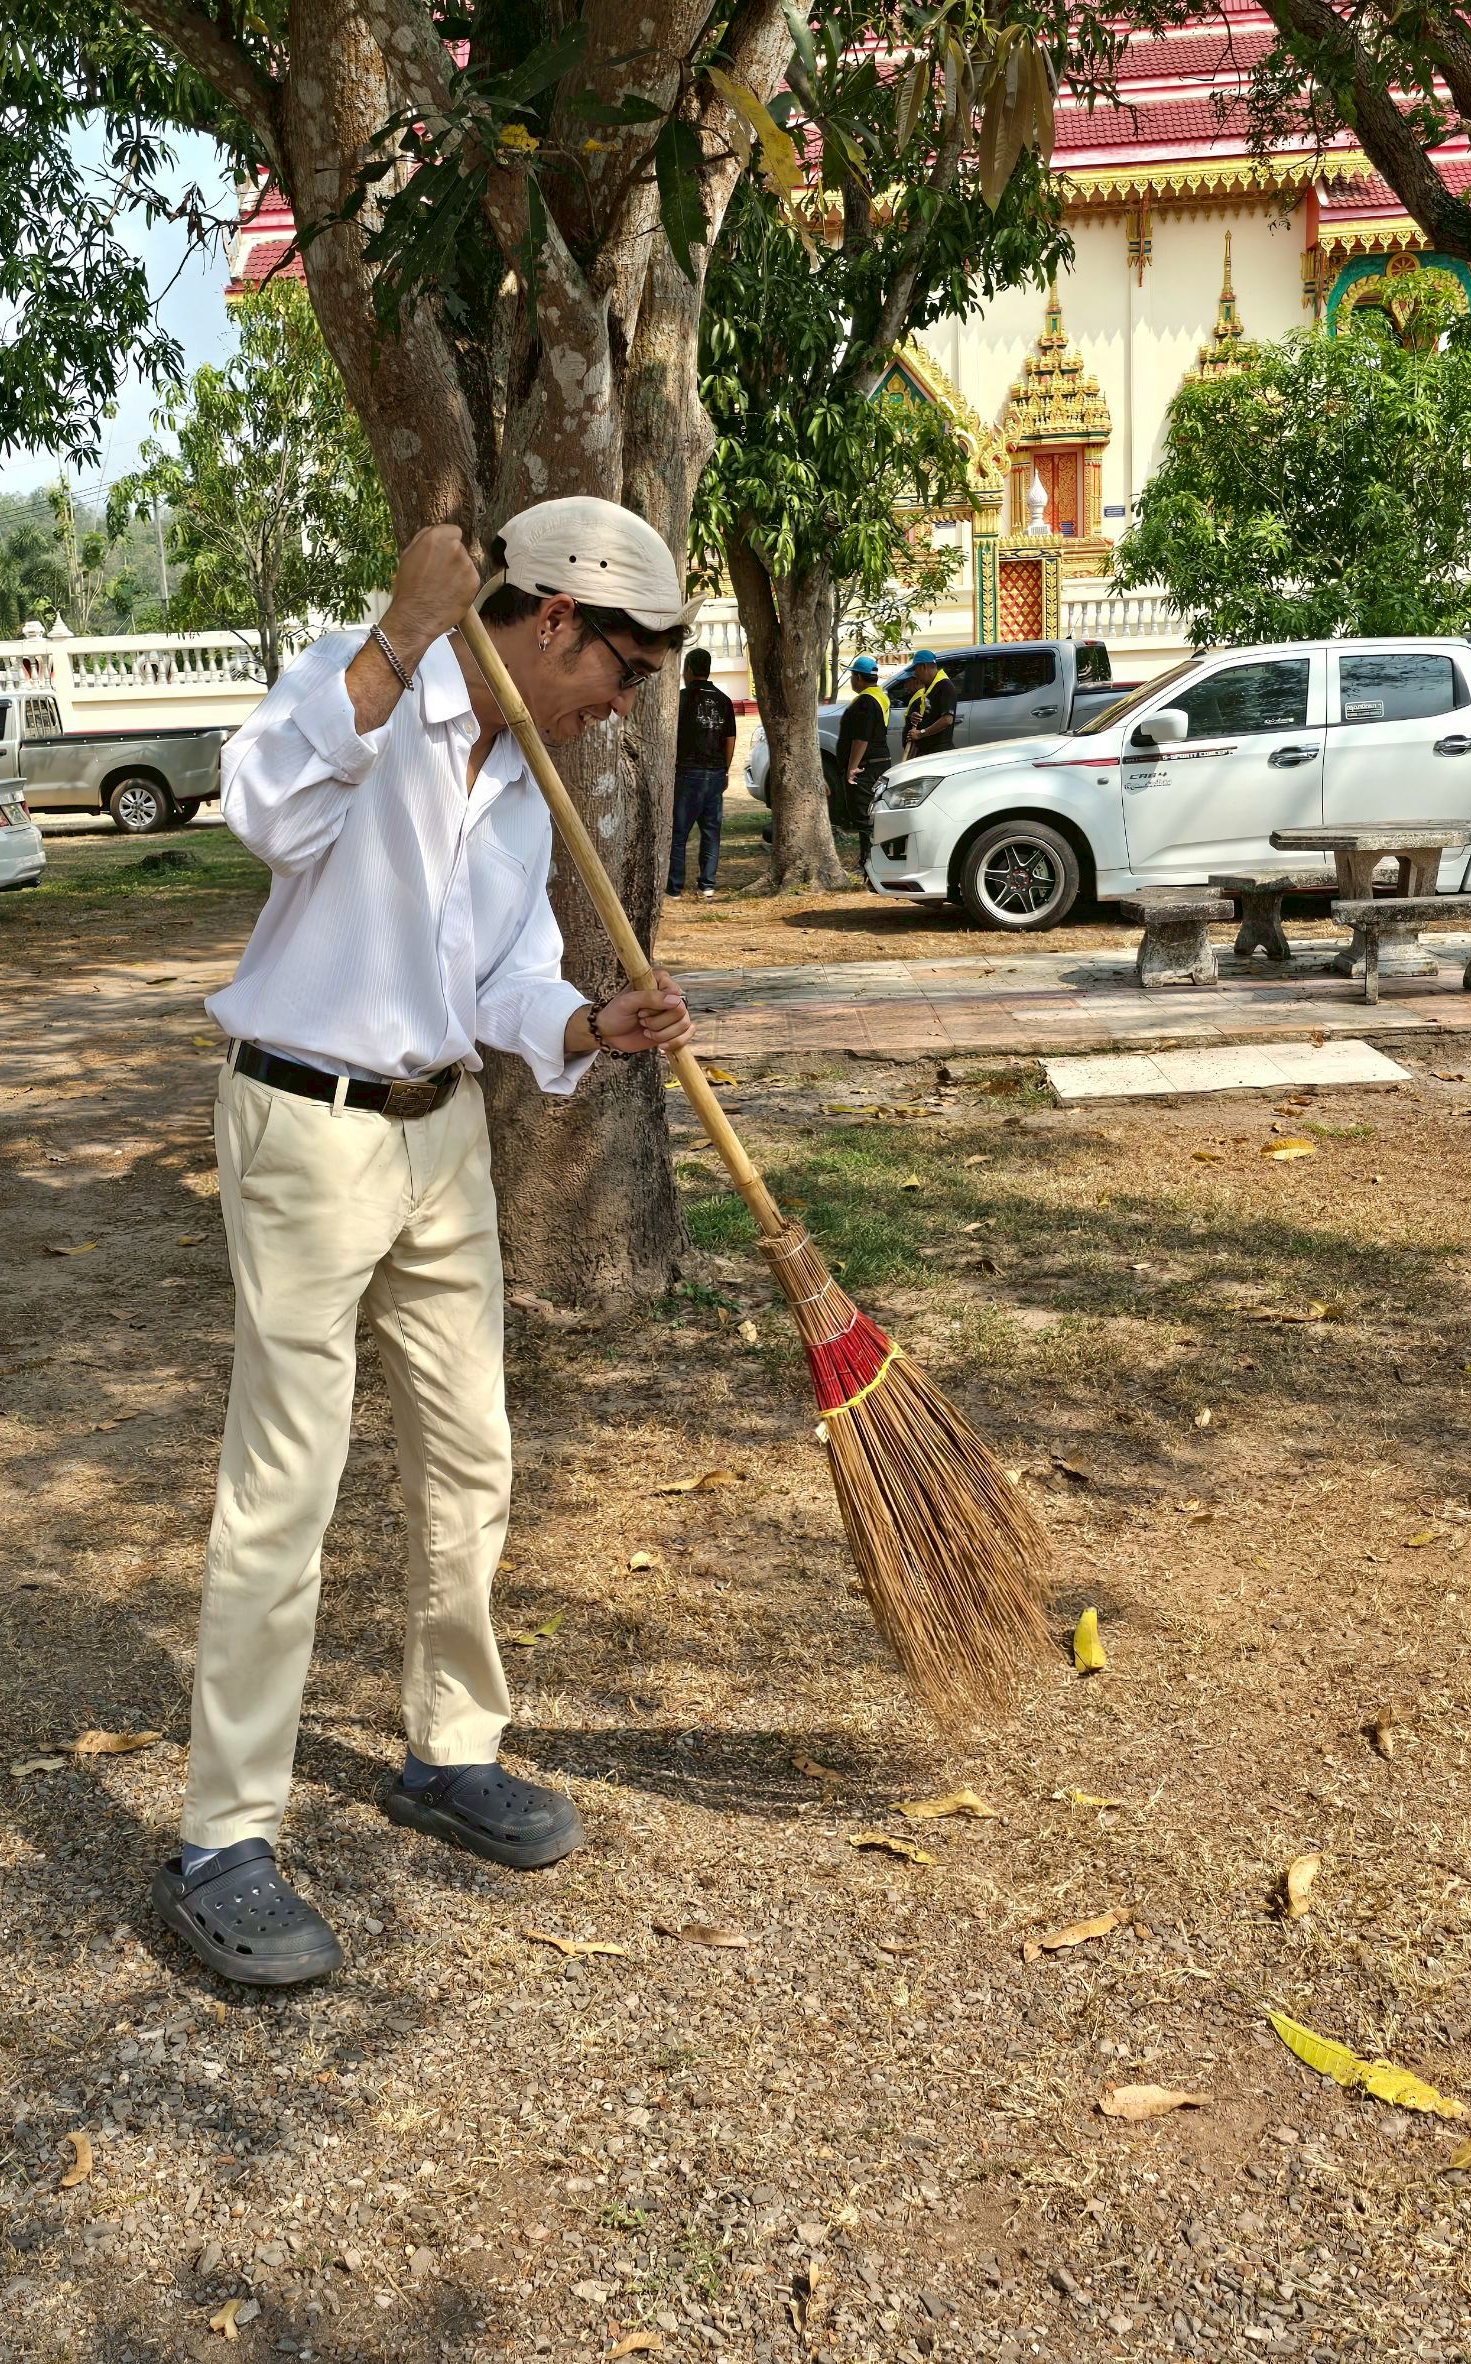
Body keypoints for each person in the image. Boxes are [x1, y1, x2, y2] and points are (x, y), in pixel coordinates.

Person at [152, 498, 698, 1988]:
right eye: (622, 674)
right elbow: (262, 812)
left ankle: (450, 1751)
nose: (621, 709)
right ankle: (223, 1837)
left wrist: (589, 1023)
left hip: (441, 1132)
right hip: (305, 1129)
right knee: (288, 1481)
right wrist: (397, 636)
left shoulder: (528, 785)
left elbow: (507, 978)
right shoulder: (362, 682)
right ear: (557, 623)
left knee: (470, 1450)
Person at [667, 646, 736, 899]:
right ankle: (707, 885)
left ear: (688, 669)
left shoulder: (681, 699)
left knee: (678, 833)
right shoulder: (724, 700)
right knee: (711, 832)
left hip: (687, 772)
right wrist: (725, 770)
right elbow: (730, 738)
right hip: (715, 773)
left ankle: (674, 887)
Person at [831, 654, 892, 874]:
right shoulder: (880, 696)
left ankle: (869, 864)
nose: (851, 681)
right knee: (872, 813)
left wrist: (852, 768)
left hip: (866, 766)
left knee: (865, 815)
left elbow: (861, 738)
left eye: (852, 676)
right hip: (879, 762)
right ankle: (869, 862)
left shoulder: (865, 702)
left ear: (858, 677)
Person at [902, 648, 955, 763]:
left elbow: (947, 719)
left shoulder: (944, 685)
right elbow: (931, 713)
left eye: (915, 669)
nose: (915, 674)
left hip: (939, 753)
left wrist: (921, 733)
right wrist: (916, 716)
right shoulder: (929, 687)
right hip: (928, 752)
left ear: (923, 667)